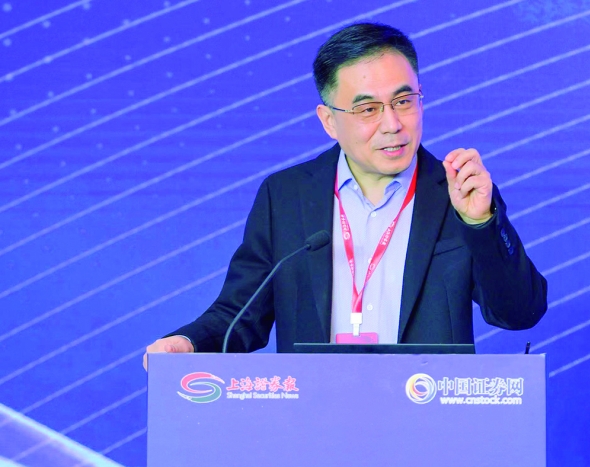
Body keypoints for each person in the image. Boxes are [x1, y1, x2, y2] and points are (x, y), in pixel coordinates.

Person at [143, 22, 547, 368]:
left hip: (430, 417)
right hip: (312, 419)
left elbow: (520, 312)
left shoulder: (459, 194)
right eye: (368, 109)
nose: (392, 124)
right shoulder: (285, 197)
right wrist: (189, 343)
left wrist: (480, 223)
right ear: (329, 122)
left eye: (404, 101)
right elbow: (240, 315)